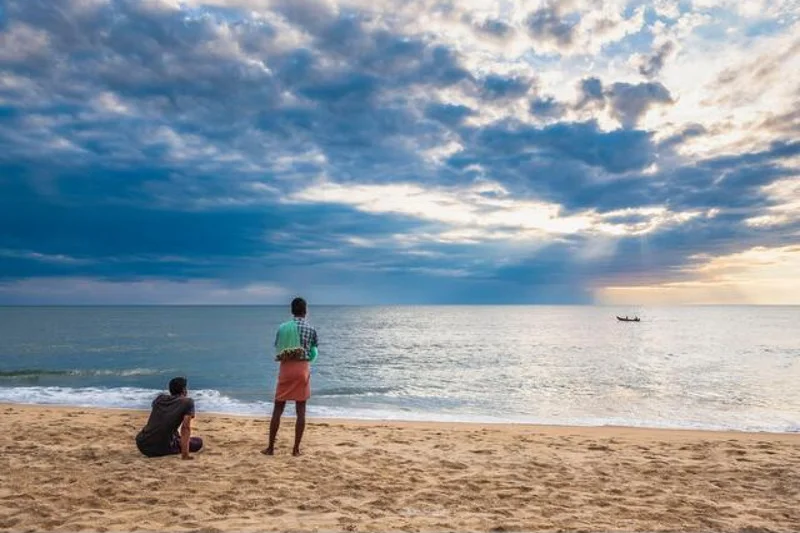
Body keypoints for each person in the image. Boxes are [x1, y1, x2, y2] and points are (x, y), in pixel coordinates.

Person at [263, 297, 319, 456]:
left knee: (278, 408)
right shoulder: (311, 329)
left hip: (286, 369)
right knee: (301, 410)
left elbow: (278, 347)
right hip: (302, 370)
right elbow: (314, 352)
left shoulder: (283, 328)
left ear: (292, 311)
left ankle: (270, 448)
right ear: (305, 311)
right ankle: (295, 449)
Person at [136, 376, 203, 459]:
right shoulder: (187, 402)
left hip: (142, 443)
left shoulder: (160, 398)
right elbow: (185, 428)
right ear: (184, 390)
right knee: (198, 442)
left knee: (175, 434)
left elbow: (158, 413)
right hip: (160, 447)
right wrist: (185, 454)